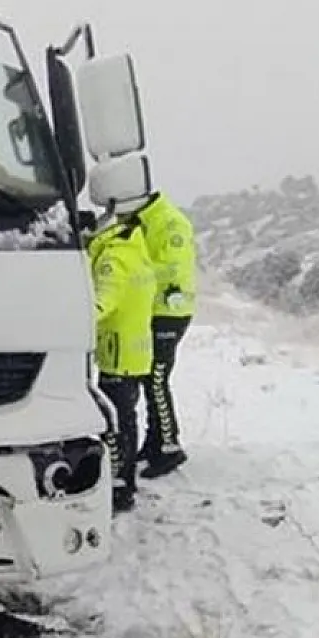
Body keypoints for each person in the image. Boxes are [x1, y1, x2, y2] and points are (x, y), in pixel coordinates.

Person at [79, 205, 156, 515]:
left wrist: (66, 317)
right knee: (126, 419)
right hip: (135, 351)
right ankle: (125, 484)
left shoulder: (113, 259)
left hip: (117, 352)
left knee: (116, 423)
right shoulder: (136, 251)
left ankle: (119, 487)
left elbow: (102, 304)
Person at [118, 187, 199, 480]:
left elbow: (173, 270)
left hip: (169, 311)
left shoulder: (169, 222)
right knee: (148, 378)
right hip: (152, 310)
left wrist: (132, 275)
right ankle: (155, 441)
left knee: (156, 378)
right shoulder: (143, 220)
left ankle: (168, 446)